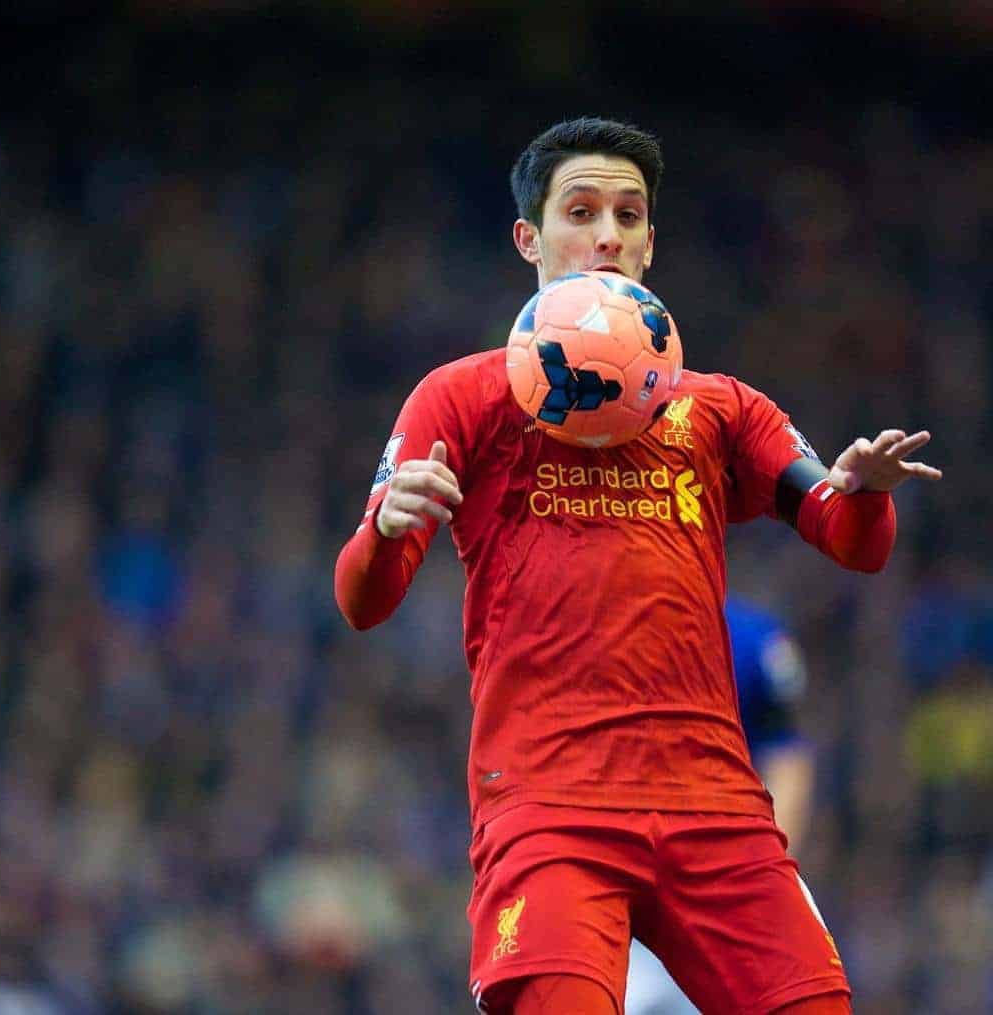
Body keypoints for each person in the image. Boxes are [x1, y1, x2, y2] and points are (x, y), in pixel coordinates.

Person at [334, 117, 941, 1014]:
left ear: (651, 245)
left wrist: (862, 488)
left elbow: (853, 538)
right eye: (581, 211)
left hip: (717, 808)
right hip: (549, 808)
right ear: (529, 238)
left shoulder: (722, 409)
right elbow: (363, 599)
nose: (607, 233)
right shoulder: (461, 397)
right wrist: (386, 528)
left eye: (629, 214)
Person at [625, 595, 816, 1015]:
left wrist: (763, 872)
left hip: (729, 881)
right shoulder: (585, 627)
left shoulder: (748, 640)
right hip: (624, 899)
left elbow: (788, 760)